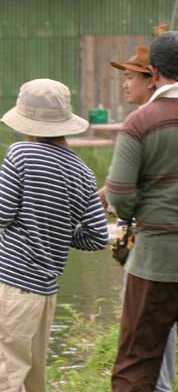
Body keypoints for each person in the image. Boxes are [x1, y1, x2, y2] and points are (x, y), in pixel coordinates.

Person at [0, 79, 109, 392]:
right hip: (44, 295)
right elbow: (98, 237)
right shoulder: (83, 172)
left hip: (10, 287)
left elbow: (0, 215)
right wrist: (59, 230)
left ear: (27, 122)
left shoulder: (20, 154)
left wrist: (0, 199)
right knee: (31, 381)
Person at [105, 31, 178, 392]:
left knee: (137, 361)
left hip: (155, 259)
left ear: (153, 72)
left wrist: (137, 209)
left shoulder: (139, 122)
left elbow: (118, 196)